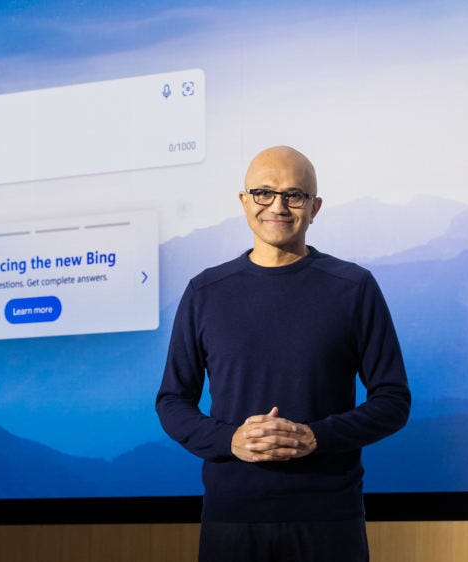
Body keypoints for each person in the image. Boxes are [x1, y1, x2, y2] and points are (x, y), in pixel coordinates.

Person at [156, 146, 411, 561]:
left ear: (315, 207)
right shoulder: (205, 292)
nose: (278, 206)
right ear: (244, 201)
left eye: (294, 195)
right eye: (263, 192)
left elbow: (393, 401)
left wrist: (316, 437)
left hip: (328, 519)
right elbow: (172, 401)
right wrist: (230, 439)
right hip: (232, 519)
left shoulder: (353, 287)